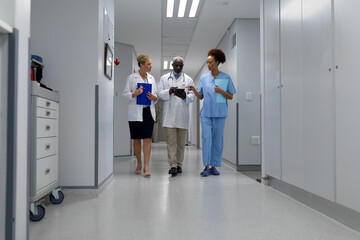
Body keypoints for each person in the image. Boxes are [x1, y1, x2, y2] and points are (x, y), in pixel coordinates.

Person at [187, 49, 236, 177]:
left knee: (217, 140)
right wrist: (194, 90)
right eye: (207, 63)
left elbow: (230, 96)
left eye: (211, 62)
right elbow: (201, 96)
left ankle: (214, 166)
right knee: (206, 138)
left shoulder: (226, 77)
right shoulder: (204, 78)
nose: (209, 65)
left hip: (220, 114)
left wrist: (221, 91)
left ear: (217, 62)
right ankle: (206, 166)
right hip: (206, 114)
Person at [157, 56, 195, 176]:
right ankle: (173, 165)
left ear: (183, 66)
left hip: (182, 116)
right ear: (172, 65)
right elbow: (158, 93)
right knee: (171, 142)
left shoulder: (188, 79)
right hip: (169, 116)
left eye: (180, 65)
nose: (178, 67)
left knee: (181, 143)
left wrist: (185, 97)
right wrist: (169, 91)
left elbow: (193, 96)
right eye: (176, 65)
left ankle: (179, 164)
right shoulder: (164, 78)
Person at [123, 54, 158, 177]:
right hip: (135, 112)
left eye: (151, 64)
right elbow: (125, 93)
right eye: (148, 64)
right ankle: (139, 163)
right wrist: (134, 93)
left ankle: (146, 166)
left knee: (147, 139)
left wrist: (155, 97)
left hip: (148, 111)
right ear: (141, 65)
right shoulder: (131, 78)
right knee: (137, 139)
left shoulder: (152, 78)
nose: (150, 66)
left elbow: (156, 95)